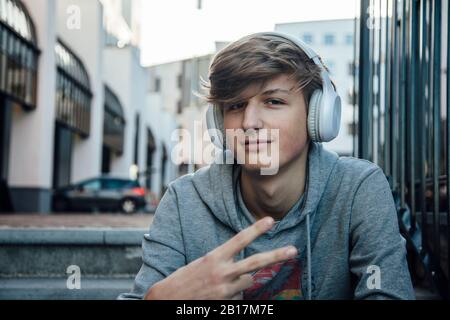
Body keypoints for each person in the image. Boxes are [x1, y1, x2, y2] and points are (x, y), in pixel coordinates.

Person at [118, 32, 414, 300]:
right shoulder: (185, 201)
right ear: (218, 124)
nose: (249, 123)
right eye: (235, 106)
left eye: (273, 101)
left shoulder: (358, 189)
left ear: (318, 116)